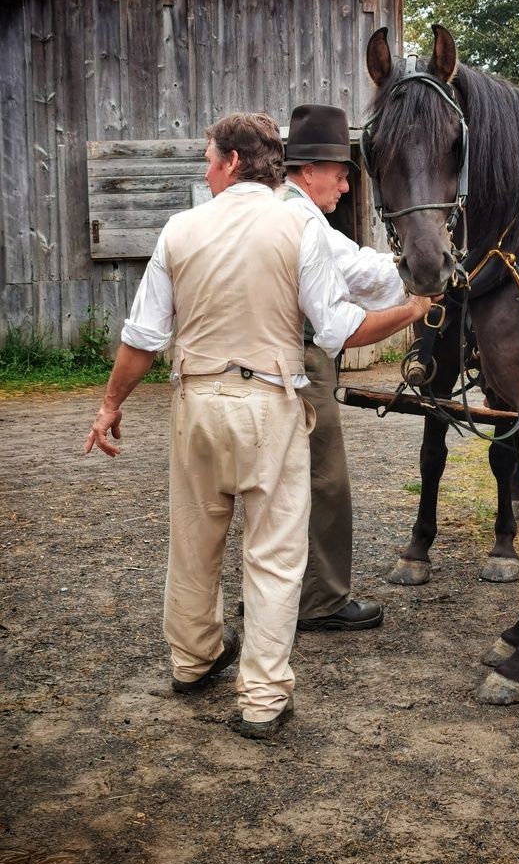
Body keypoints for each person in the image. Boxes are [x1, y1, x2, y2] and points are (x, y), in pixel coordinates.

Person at [84, 112, 431, 740]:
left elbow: (142, 336)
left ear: (234, 162)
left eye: (211, 160)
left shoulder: (181, 229)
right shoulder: (299, 226)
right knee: (273, 555)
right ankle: (263, 697)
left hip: (194, 400)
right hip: (267, 402)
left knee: (193, 540)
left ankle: (193, 660)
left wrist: (111, 405)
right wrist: (411, 309)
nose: (208, 171)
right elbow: (339, 330)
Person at [281, 104, 407, 632]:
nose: (347, 187)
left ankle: (276, 593)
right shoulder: (302, 218)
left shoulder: (280, 207)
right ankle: (322, 600)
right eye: (340, 174)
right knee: (325, 481)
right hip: (301, 359)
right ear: (308, 171)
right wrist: (420, 287)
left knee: (276, 485)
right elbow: (356, 279)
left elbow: (357, 265)